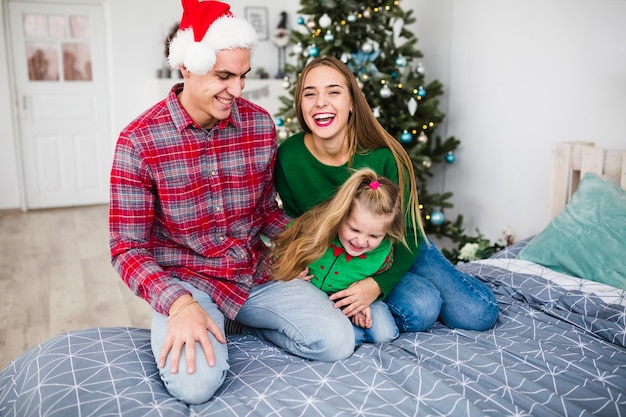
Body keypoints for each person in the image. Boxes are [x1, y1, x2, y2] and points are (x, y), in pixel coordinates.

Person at [109, 2, 353, 405]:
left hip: (253, 273)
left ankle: (239, 323)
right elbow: (126, 248)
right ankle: (208, 317)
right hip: (189, 282)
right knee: (195, 386)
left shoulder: (258, 124)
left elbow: (264, 212)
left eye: (242, 76)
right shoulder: (138, 142)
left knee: (336, 341)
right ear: (187, 66)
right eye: (223, 76)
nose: (237, 90)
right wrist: (179, 304)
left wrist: (305, 243)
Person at [274, 56, 499, 334]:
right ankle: (417, 287)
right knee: (421, 307)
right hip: (342, 257)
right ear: (301, 104)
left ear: (352, 103)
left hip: (399, 244)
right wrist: (292, 264)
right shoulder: (289, 157)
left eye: (333, 91)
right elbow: (294, 223)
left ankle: (430, 278)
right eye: (310, 94)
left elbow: (410, 232)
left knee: (478, 314)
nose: (320, 102)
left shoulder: (384, 156)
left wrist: (376, 286)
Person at [273, 168, 404, 345]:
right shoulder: (314, 227)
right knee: (347, 337)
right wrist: (290, 269)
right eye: (354, 229)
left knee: (384, 334)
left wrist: (362, 303)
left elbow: (378, 279)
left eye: (374, 236)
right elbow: (283, 246)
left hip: (353, 297)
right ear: (341, 215)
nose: (361, 241)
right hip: (312, 295)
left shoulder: (383, 252)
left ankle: (352, 326)